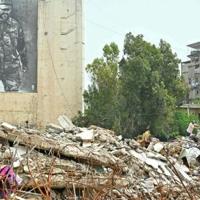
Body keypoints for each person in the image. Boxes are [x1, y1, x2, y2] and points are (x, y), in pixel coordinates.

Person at [0, 0, 27, 92]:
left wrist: (24, 63)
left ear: (11, 10)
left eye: (7, 10)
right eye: (2, 10)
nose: (4, 12)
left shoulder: (15, 25)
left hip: (11, 68)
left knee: (13, 95)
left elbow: (21, 46)